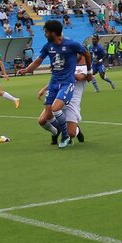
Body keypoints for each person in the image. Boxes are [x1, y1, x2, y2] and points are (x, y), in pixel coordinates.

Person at [17, 20, 91, 148]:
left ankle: (67, 135)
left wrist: (89, 70)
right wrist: (27, 69)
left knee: (55, 109)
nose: (45, 34)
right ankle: (61, 132)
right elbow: (38, 61)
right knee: (45, 117)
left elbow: (86, 53)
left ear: (53, 33)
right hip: (54, 83)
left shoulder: (71, 44)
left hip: (67, 84)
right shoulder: (48, 46)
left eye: (46, 32)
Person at [37, 54, 88, 145]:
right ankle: (56, 132)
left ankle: (77, 130)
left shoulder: (86, 67)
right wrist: (44, 89)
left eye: (77, 53)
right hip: (59, 97)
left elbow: (81, 77)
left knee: (71, 133)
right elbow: (57, 80)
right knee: (42, 121)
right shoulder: (68, 65)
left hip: (73, 101)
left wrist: (67, 71)